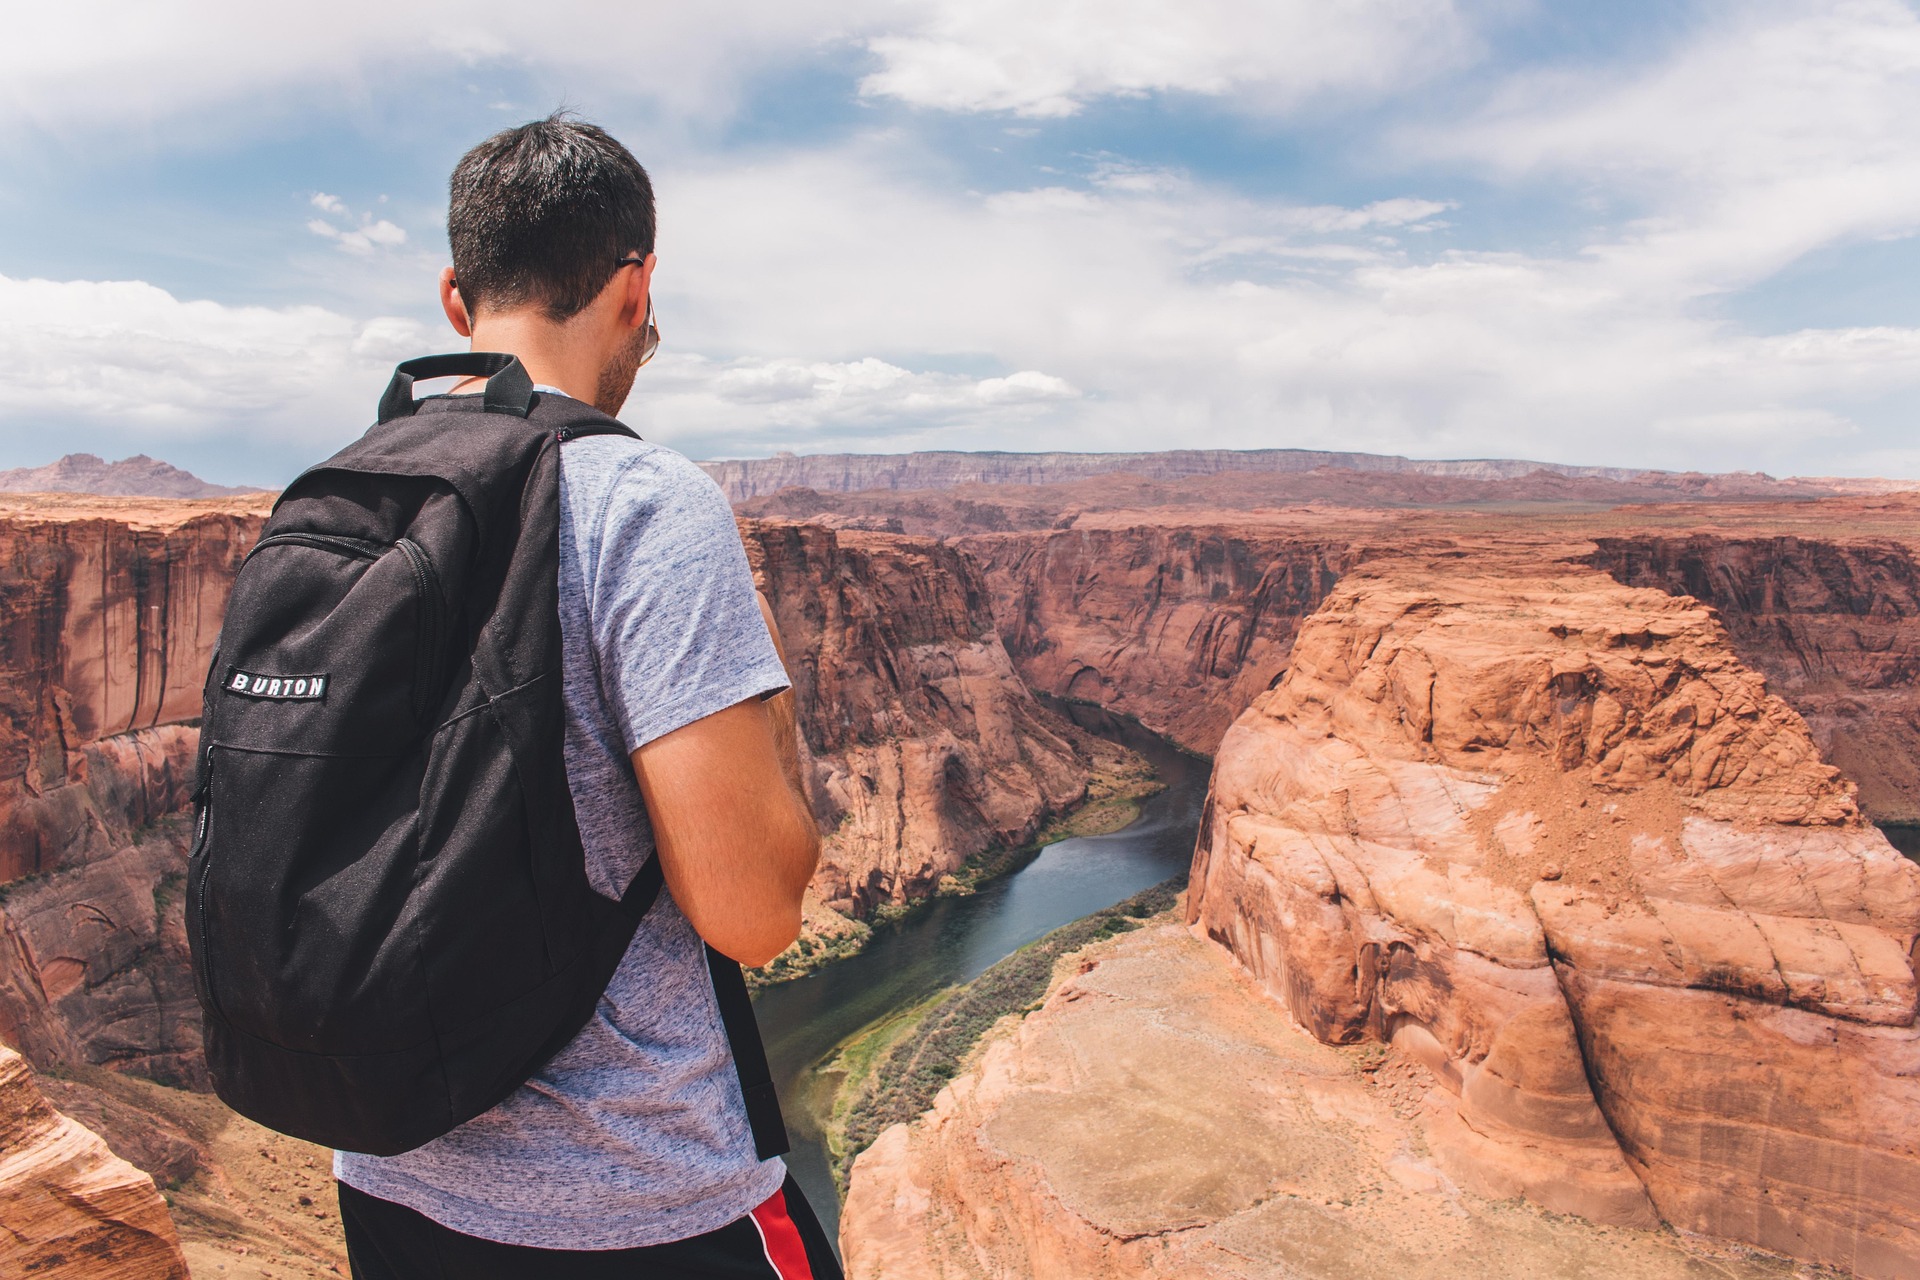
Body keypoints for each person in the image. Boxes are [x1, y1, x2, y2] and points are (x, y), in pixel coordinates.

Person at [330, 113, 841, 1280]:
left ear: (456, 300)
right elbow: (753, 913)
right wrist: (772, 713)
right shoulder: (645, 502)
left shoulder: (350, 504)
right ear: (637, 282)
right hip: (638, 1207)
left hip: (391, 1177)